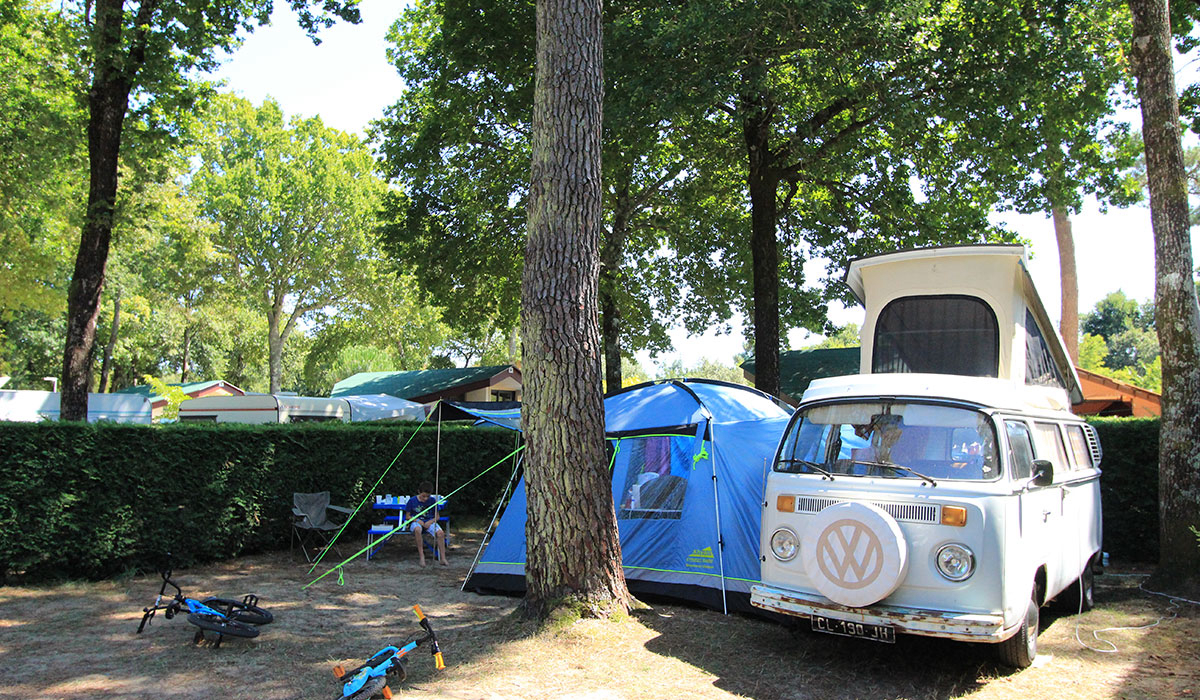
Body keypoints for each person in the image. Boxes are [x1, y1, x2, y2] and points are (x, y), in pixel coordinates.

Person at [404, 482, 447, 567]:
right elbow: (407, 517)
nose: (426, 498)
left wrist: (430, 522)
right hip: (416, 521)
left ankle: (443, 558)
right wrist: (417, 520)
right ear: (419, 492)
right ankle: (422, 557)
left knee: (440, 533)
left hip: (429, 521)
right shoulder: (412, 501)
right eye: (423, 496)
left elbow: (437, 516)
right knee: (417, 529)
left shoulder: (432, 500)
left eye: (427, 496)